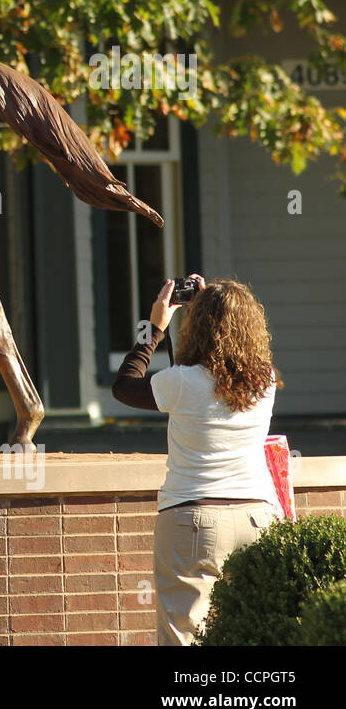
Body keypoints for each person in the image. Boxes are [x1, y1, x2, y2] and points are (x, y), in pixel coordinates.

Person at [112, 275, 282, 646]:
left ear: (200, 325)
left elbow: (125, 386)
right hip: (258, 517)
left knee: (183, 636)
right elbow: (199, 381)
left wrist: (155, 329)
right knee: (251, 632)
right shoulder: (265, 381)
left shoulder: (181, 383)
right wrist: (213, 308)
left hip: (192, 518)